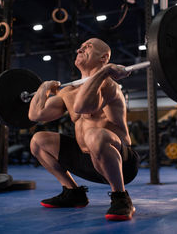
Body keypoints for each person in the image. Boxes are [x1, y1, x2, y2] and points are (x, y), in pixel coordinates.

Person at [28, 38, 140, 221]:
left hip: (122, 163)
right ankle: (73, 193)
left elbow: (83, 107)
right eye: (80, 47)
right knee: (38, 141)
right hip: (87, 160)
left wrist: (104, 73)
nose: (80, 49)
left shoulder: (108, 85)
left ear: (104, 57)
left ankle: (121, 197)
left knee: (94, 135)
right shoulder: (68, 91)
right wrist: (43, 87)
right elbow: (35, 115)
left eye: (88, 46)